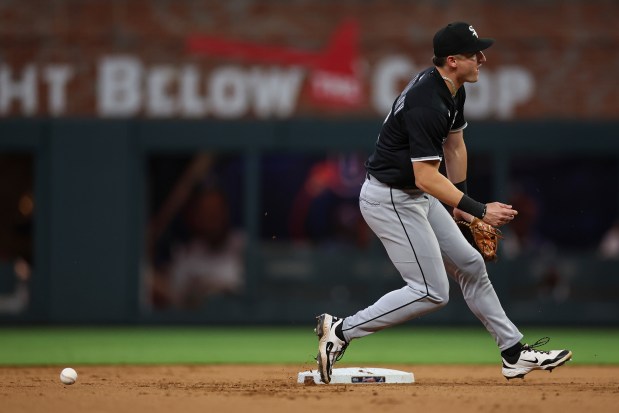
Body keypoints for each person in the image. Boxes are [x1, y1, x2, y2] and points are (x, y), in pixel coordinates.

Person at [314, 22, 572, 383]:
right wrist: (480, 208)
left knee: (471, 265)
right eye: (474, 53)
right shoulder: (428, 102)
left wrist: (462, 202)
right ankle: (341, 332)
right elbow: (425, 177)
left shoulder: (452, 89)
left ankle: (514, 354)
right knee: (432, 292)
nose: (482, 58)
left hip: (415, 194)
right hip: (391, 198)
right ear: (452, 60)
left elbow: (455, 145)